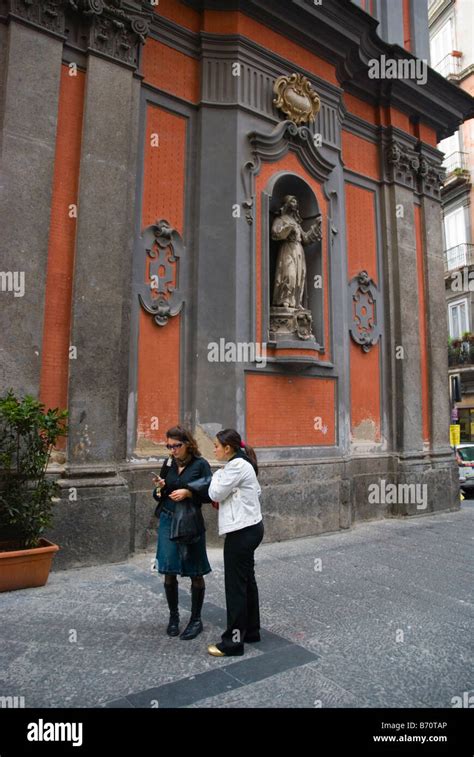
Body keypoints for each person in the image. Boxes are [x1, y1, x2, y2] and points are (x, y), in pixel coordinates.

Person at [207, 429, 264, 657]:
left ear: (228, 448)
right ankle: (251, 631)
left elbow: (215, 494)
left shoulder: (237, 466)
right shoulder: (239, 465)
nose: (214, 450)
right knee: (247, 581)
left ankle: (233, 642)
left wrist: (216, 476)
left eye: (216, 446)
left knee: (236, 588)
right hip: (249, 529)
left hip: (242, 532)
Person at [152, 426, 212, 640]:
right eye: (169, 446)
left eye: (176, 446)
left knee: (195, 570)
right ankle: (173, 616)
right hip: (168, 519)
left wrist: (188, 492)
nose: (172, 450)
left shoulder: (201, 465)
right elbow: (160, 492)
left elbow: (209, 494)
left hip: (189, 522)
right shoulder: (168, 463)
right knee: (168, 569)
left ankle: (196, 620)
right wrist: (159, 488)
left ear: (188, 444)